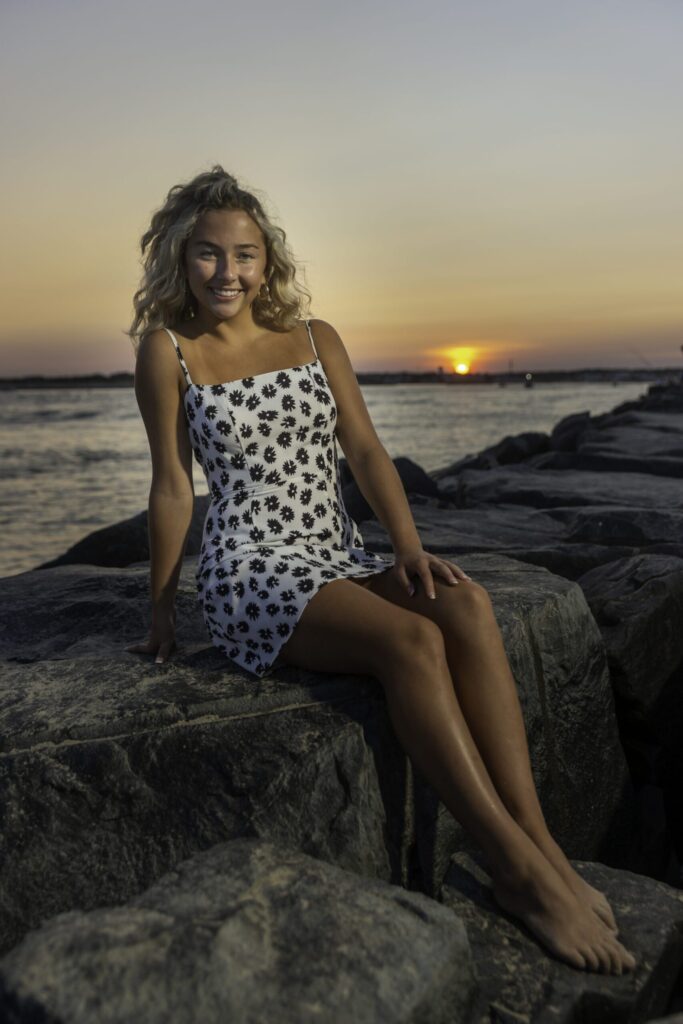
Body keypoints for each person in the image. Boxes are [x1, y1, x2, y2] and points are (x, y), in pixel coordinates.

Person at [125, 165, 636, 975]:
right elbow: (170, 484)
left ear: (268, 262)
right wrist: (161, 608)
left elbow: (362, 448)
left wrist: (404, 545)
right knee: (410, 645)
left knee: (461, 608)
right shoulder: (171, 351)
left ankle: (544, 845)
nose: (228, 273)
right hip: (251, 570)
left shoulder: (315, 338)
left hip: (335, 551)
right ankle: (514, 872)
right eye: (209, 255)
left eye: (245, 255)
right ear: (181, 261)